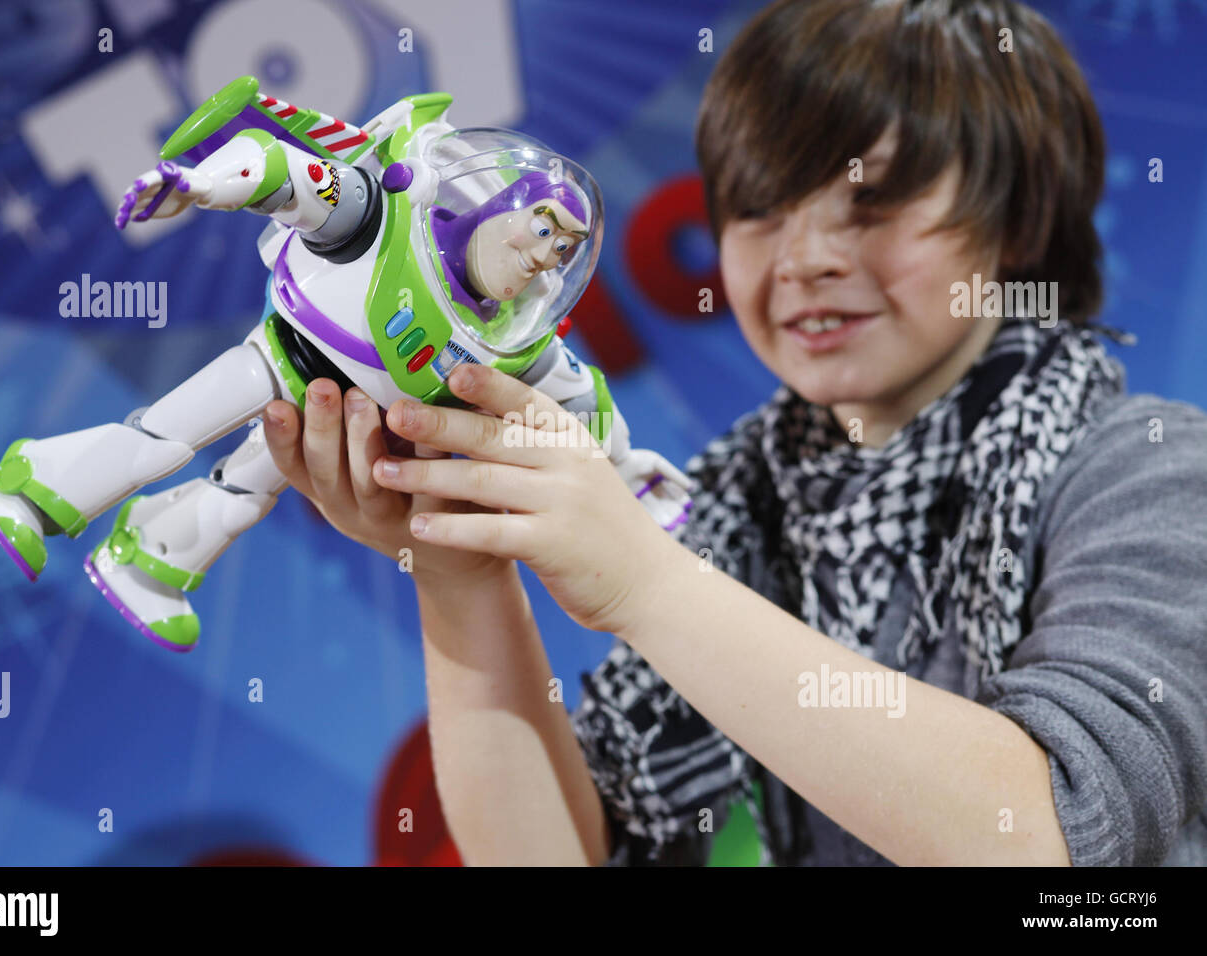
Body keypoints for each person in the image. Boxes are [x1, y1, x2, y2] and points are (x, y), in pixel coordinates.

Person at [260, 0, 1207, 866]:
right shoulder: (733, 506)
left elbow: (1062, 846)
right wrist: (456, 568)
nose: (804, 259)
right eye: (759, 209)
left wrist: (648, 581)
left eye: (871, 202)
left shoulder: (1150, 471)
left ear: (1020, 220)